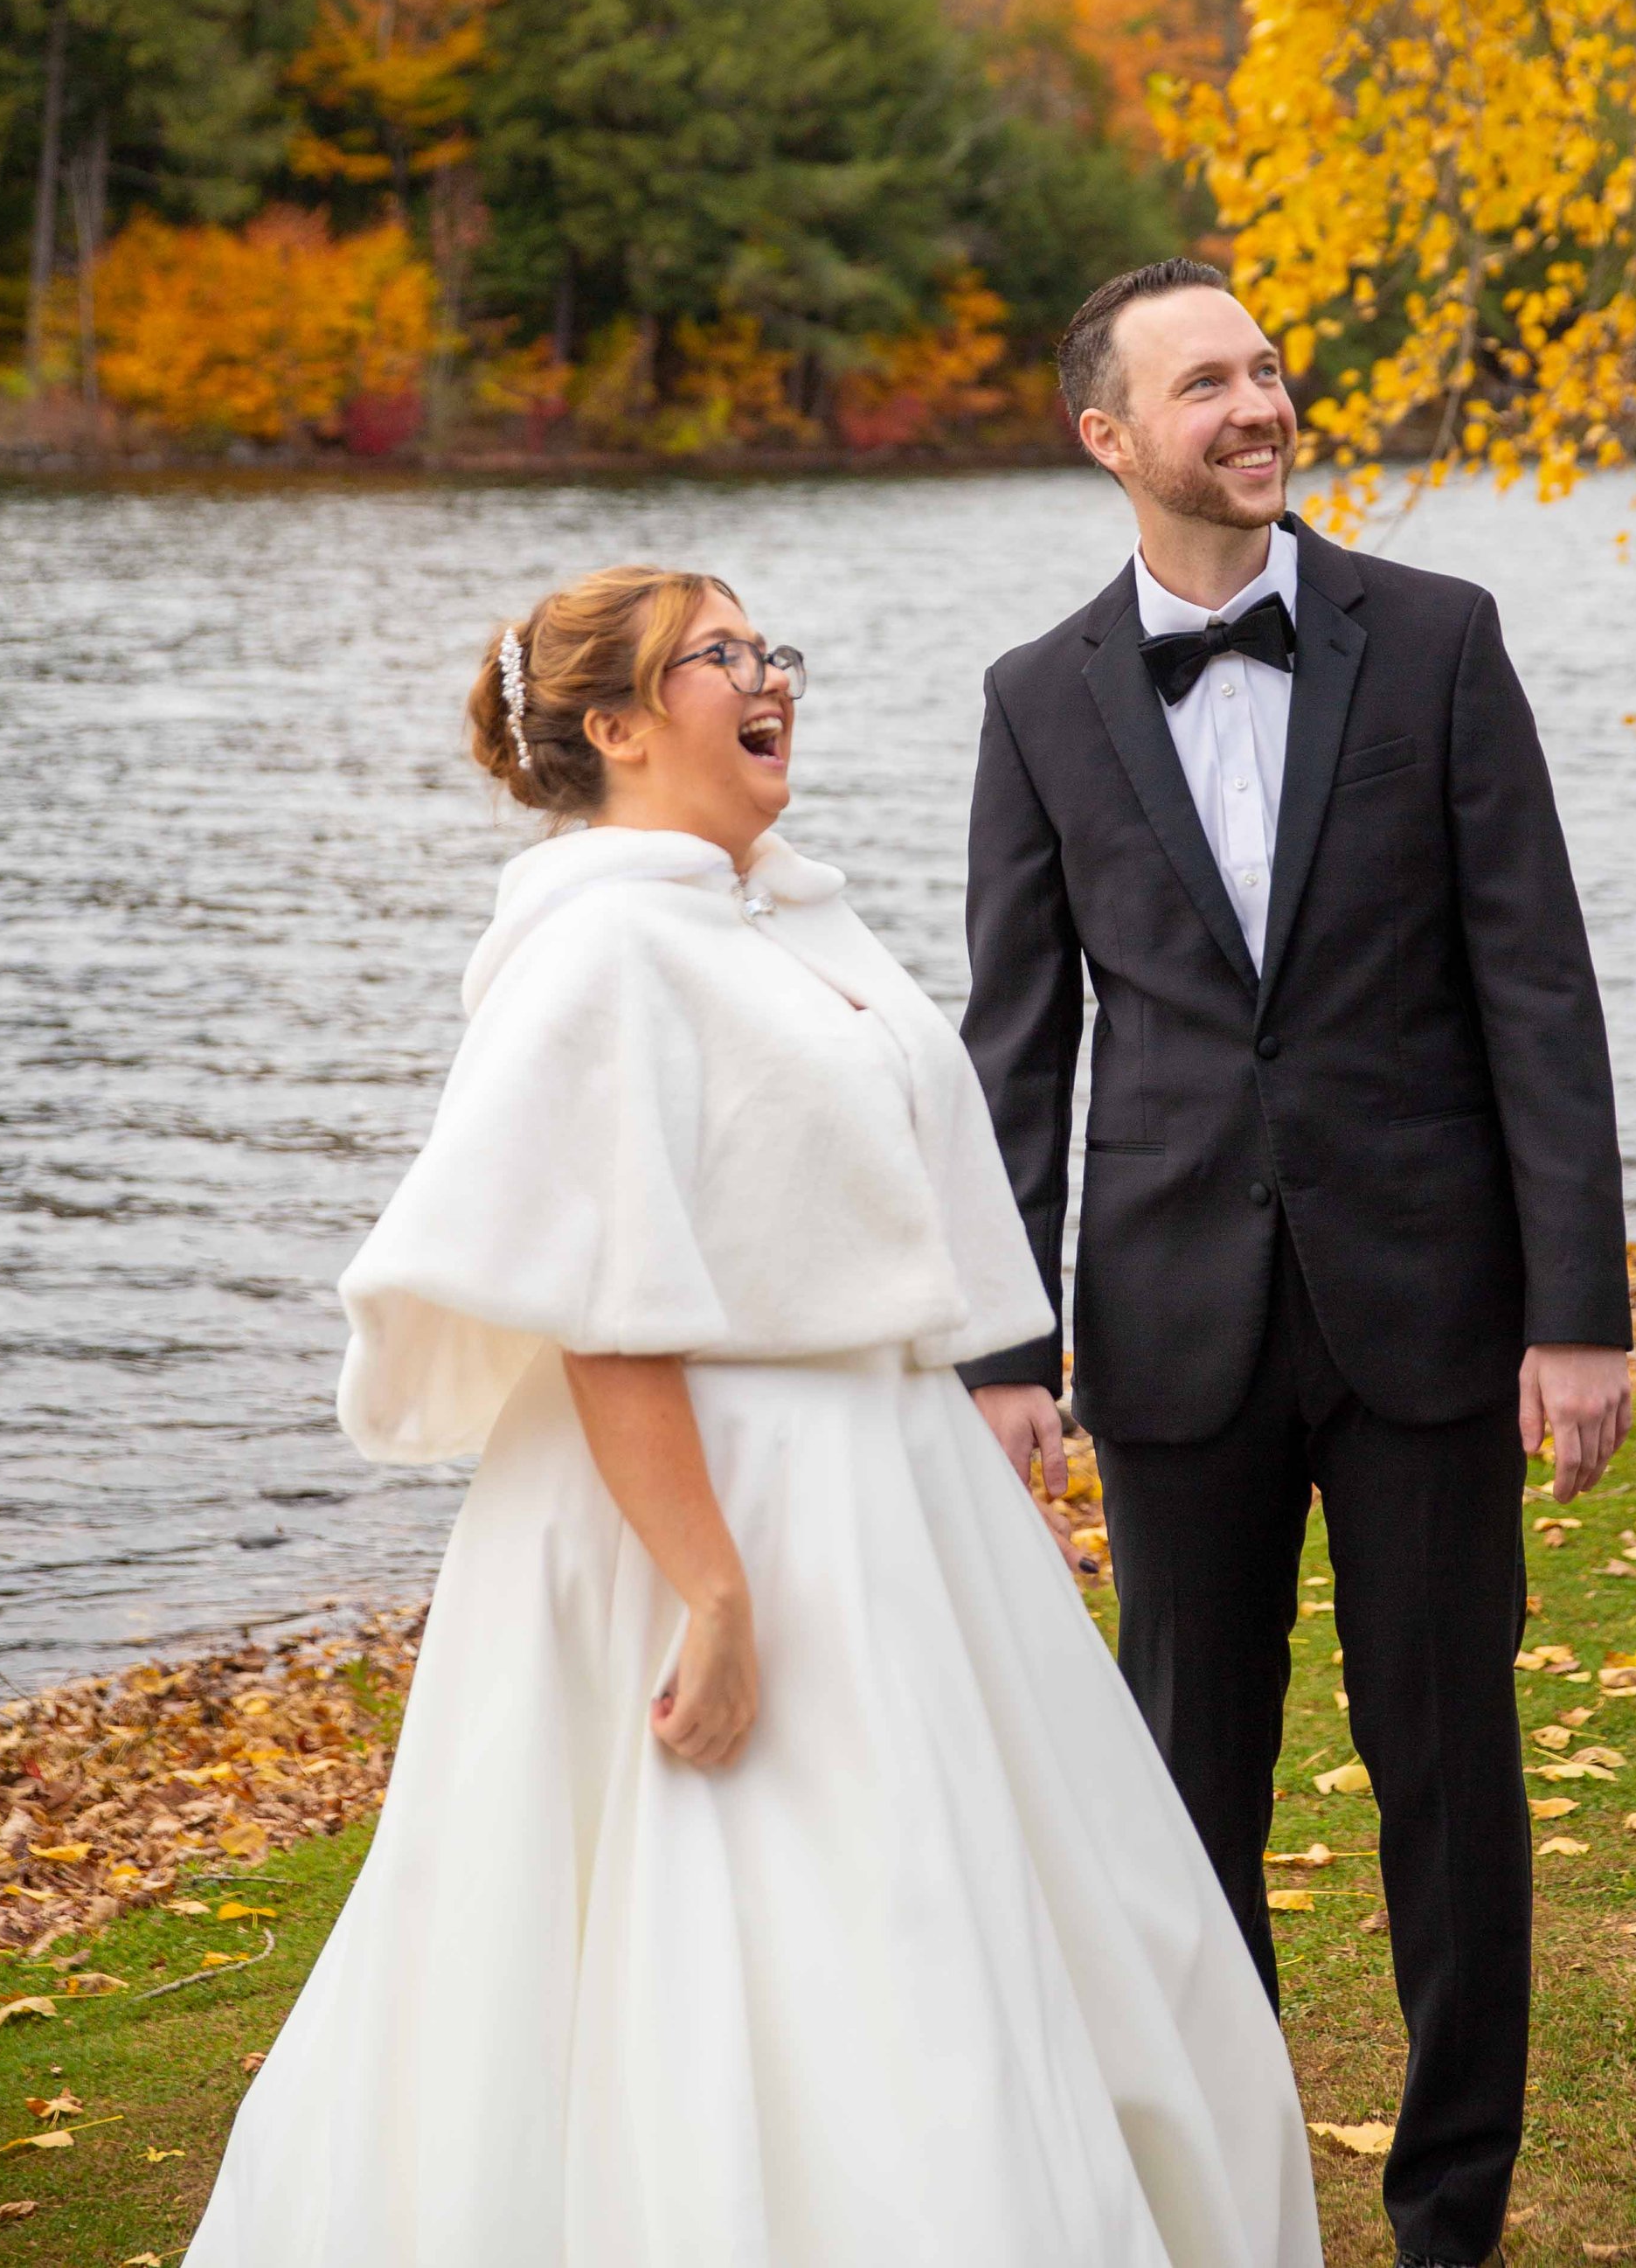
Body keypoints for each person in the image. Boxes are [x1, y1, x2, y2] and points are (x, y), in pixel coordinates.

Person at [186, 560, 1320, 2268]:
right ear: (620, 728)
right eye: (713, 657)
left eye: (765, 646)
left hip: (883, 1486)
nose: (764, 674)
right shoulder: (603, 953)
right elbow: (601, 1317)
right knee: (782, 1935)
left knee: (989, 1916)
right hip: (714, 1511)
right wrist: (713, 1595)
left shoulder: (777, 914)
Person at [960, 262, 1634, 2268]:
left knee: (1445, 1780)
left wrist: (1574, 1311)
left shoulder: (1432, 641)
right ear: (1109, 438)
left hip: (1429, 1314)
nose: (1255, 406)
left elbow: (1537, 991)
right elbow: (1018, 1046)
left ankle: (1449, 2217)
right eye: (1205, 384)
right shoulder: (1033, 698)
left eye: (1263, 370)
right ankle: (1236, 2203)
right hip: (1170, 1335)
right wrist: (1009, 1346)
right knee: (1185, 1802)